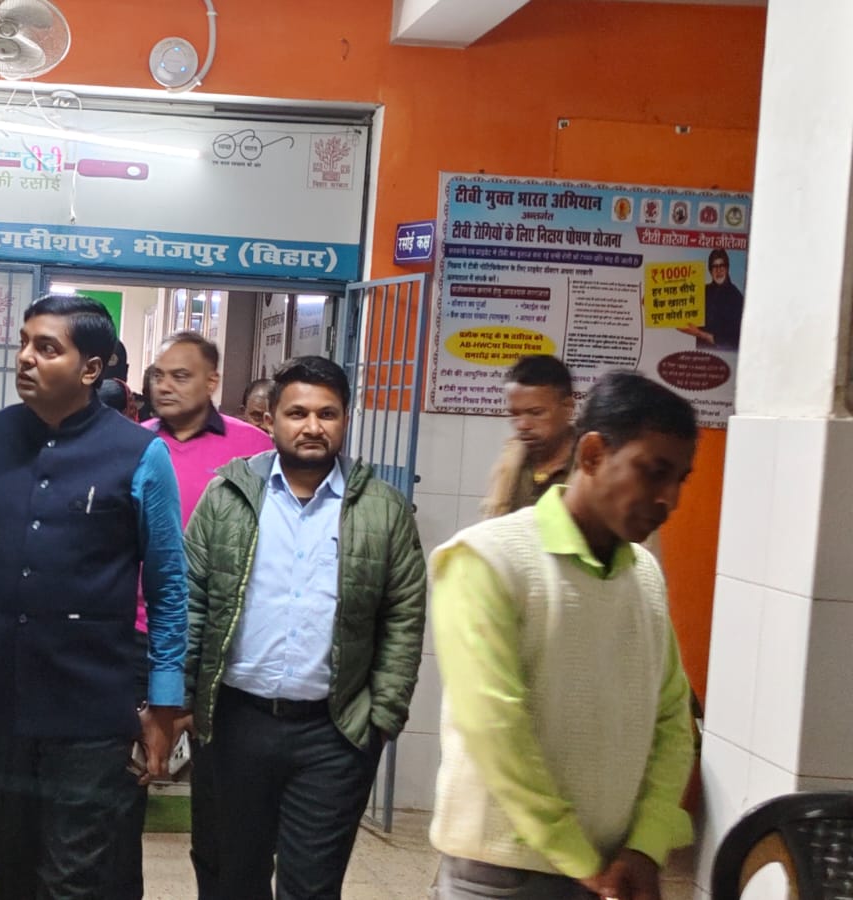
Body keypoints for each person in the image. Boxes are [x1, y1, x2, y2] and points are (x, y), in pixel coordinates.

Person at [0, 294, 190, 899]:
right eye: (24, 342)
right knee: (9, 862)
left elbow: (168, 585)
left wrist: (164, 699)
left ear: (91, 369)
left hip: (89, 701)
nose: (25, 357)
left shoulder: (139, 454)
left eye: (47, 348)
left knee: (73, 875)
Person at [428, 371, 698, 900]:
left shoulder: (643, 573)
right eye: (653, 473)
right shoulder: (486, 559)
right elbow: (494, 725)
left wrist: (646, 845)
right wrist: (576, 856)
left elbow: (672, 718)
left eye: (680, 479)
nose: (669, 499)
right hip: (501, 877)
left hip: (613, 868)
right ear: (593, 455)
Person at [183, 355, 427, 900]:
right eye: (297, 413)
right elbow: (191, 600)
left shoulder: (383, 511)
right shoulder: (227, 498)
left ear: (346, 419)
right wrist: (181, 699)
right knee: (230, 878)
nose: (312, 426)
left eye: (327, 413)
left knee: (312, 887)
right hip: (234, 723)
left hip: (334, 734)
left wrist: (381, 719)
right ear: (271, 419)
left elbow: (404, 617)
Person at [114, 331, 272, 898]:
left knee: (224, 807)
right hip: (139, 637)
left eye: (181, 375)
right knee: (119, 793)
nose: (165, 386)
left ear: (212, 381)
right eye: (158, 375)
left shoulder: (254, 448)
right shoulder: (130, 444)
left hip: (224, 646)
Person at [482, 355, 576, 519]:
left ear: (568, 408)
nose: (522, 425)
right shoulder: (509, 462)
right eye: (515, 414)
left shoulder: (590, 465)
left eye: (536, 413)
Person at [681, 248, 745, 352]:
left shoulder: (736, 297)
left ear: (727, 268)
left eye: (721, 266)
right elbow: (680, 309)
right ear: (710, 270)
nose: (718, 270)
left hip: (726, 356)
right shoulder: (703, 292)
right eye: (714, 266)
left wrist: (701, 334)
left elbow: (735, 340)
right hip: (701, 354)